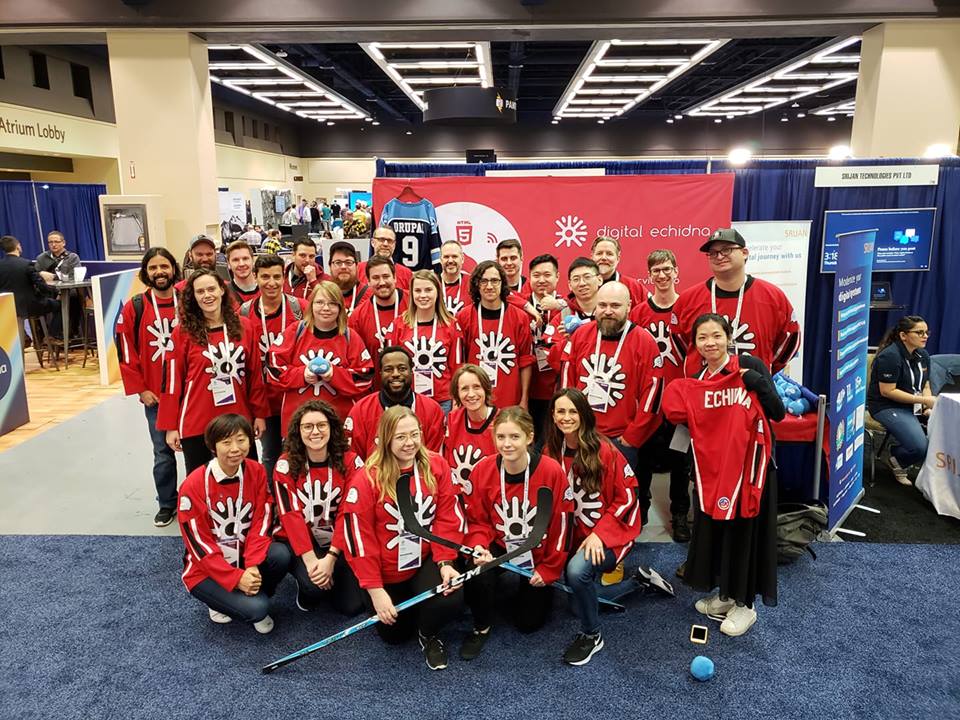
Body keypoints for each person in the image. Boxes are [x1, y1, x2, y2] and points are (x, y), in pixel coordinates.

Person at [662, 313, 785, 637]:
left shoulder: (749, 366)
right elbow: (683, 420)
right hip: (716, 473)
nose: (710, 343)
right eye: (703, 338)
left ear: (728, 337)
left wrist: (757, 384)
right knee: (719, 533)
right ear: (696, 345)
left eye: (716, 335)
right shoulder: (699, 379)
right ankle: (726, 593)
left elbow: (778, 412)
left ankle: (746, 605)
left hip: (751, 472)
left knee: (745, 534)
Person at [334, 406, 464, 670]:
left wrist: (445, 563)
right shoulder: (367, 478)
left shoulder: (436, 464)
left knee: (452, 599)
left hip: (422, 559)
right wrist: (375, 590)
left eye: (414, 434)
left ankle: (428, 633)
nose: (409, 443)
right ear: (385, 440)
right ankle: (405, 608)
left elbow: (447, 516)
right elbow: (359, 538)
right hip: (385, 571)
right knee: (394, 635)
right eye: (400, 437)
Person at [459, 407, 572, 659]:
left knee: (528, 624)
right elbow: (476, 519)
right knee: (477, 572)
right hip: (500, 543)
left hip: (538, 550)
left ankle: (532, 590)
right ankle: (481, 626)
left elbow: (562, 524)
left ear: (529, 437)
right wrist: (480, 546)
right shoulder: (482, 470)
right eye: (501, 437)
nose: (507, 444)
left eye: (514, 437)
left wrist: (550, 568)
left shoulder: (552, 471)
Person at [543, 388, 641, 665]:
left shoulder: (605, 450)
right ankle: (639, 584)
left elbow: (628, 497)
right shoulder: (551, 451)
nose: (566, 417)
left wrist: (600, 534)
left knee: (576, 574)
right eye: (560, 411)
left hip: (610, 533)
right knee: (577, 602)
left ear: (584, 414)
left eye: (572, 411)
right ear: (553, 415)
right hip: (574, 536)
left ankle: (591, 635)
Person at [177, 414, 291, 634]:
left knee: (280, 555)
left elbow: (263, 519)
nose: (235, 448)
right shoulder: (193, 485)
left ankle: (251, 591)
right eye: (226, 442)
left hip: (244, 557)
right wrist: (236, 578)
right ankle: (225, 600)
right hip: (206, 569)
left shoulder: (256, 471)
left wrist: (252, 564)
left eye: (241, 440)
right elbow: (199, 545)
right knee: (258, 609)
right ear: (212, 445)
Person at [158, 269, 270, 475]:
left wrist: (260, 414)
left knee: (245, 479)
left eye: (211, 289)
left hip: (238, 419)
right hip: (196, 422)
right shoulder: (182, 333)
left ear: (222, 291)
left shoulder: (245, 327)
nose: (207, 295)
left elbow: (255, 375)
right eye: (200, 292)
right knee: (202, 484)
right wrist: (170, 425)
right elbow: (172, 381)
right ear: (193, 297)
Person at [559, 282, 663, 478]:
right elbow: (566, 381)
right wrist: (570, 427)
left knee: (624, 497)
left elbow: (653, 395)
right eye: (602, 305)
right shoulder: (581, 335)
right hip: (582, 434)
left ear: (629, 306)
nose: (607, 311)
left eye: (615, 306)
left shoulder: (644, 341)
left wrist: (632, 438)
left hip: (622, 441)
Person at [272, 400, 365, 614]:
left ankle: (328, 577)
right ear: (298, 431)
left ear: (332, 428)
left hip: (337, 540)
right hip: (302, 542)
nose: (315, 432)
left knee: (352, 607)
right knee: (314, 587)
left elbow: (348, 513)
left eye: (322, 425)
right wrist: (313, 561)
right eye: (308, 426)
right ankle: (306, 585)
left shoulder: (351, 461)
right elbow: (290, 515)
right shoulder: (285, 464)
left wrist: (331, 558)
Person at [673, 228, 800, 376]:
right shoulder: (688, 300)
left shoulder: (772, 297)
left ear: (744, 253)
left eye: (726, 250)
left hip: (753, 391)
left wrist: (763, 369)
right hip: (703, 392)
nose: (719, 256)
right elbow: (681, 346)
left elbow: (789, 342)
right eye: (713, 253)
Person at [117, 247, 183, 526]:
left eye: (164, 266)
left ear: (173, 269)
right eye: (153, 268)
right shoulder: (136, 306)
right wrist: (141, 389)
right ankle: (167, 503)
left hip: (190, 393)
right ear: (146, 272)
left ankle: (202, 500)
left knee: (198, 450)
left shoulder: (188, 300)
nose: (160, 272)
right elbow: (126, 350)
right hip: (156, 396)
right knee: (163, 453)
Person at [630, 249, 691, 539]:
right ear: (649, 275)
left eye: (667, 269)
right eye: (656, 270)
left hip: (680, 405)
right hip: (648, 404)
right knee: (642, 461)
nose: (663, 275)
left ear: (676, 271)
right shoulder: (639, 313)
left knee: (681, 461)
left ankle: (680, 514)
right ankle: (640, 511)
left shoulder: (689, 309)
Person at [239, 254, 308, 482]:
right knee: (269, 454)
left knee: (299, 450)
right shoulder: (245, 313)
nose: (272, 282)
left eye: (277, 276)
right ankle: (272, 500)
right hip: (264, 399)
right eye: (265, 277)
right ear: (255, 277)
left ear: (284, 278)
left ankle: (297, 497)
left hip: (295, 394)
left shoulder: (300, 309)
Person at [268, 280, 373, 426]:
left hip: (337, 423)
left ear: (340, 308)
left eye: (332, 303)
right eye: (320, 302)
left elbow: (365, 376)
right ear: (311, 305)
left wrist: (334, 375)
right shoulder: (295, 331)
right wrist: (301, 375)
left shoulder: (350, 337)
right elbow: (273, 368)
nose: (326, 308)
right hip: (297, 422)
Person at [456, 260, 534, 409]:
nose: (490, 286)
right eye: (484, 281)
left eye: (495, 281)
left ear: (502, 283)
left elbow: (525, 361)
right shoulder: (464, 316)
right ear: (477, 284)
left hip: (510, 398)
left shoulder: (519, 317)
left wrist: (524, 398)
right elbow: (460, 361)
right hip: (475, 399)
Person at [867, 315, 935, 484]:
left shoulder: (923, 355)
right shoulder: (890, 356)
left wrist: (926, 404)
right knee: (919, 448)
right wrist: (923, 401)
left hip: (913, 404)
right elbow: (888, 392)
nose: (925, 336)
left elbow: (925, 384)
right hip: (887, 406)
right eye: (919, 332)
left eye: (926, 332)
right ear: (903, 336)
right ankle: (896, 458)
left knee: (945, 432)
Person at [347, 345, 445, 459]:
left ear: (411, 371)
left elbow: (434, 460)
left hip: (419, 475)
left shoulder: (432, 410)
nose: (395, 374)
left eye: (402, 368)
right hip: (374, 475)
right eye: (388, 369)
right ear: (380, 373)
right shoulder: (361, 411)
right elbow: (355, 460)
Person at [389, 270, 462, 414]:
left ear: (438, 292)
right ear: (411, 294)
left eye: (428, 290)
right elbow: (390, 366)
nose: (423, 295)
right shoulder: (399, 324)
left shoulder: (451, 325)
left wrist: (457, 399)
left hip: (443, 401)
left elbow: (457, 367)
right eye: (417, 290)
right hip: (406, 399)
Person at [525, 254, 565, 442]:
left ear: (557, 277)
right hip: (526, 386)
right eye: (536, 275)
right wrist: (529, 308)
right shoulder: (520, 304)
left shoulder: (567, 306)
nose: (541, 280)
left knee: (552, 442)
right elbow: (506, 296)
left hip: (556, 387)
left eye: (547, 275)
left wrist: (561, 306)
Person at [444, 364, 498, 500]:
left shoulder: (501, 422)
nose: (471, 394)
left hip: (490, 498)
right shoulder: (452, 419)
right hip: (458, 497)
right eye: (464, 389)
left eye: (476, 387)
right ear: (457, 394)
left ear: (486, 389)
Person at [349, 256, 410, 362]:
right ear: (368, 281)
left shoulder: (413, 303)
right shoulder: (357, 317)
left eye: (386, 276)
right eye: (376, 278)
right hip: (376, 377)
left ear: (394, 277)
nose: (382, 282)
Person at [0, 235, 61, 331]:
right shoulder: (26, 264)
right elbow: (41, 285)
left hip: (5, 307)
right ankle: (53, 336)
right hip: (28, 306)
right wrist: (56, 291)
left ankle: (38, 339)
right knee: (59, 305)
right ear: (18, 246)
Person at [591, 236, 644, 307]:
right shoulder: (583, 285)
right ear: (592, 257)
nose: (603, 257)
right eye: (599, 253)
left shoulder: (634, 287)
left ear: (618, 258)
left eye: (609, 254)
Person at [327, 240, 369, 317]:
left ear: (357, 266)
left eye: (348, 262)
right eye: (338, 262)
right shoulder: (322, 295)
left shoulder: (370, 295)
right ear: (330, 266)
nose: (343, 267)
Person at [439, 240, 470, 315]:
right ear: (440, 260)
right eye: (446, 257)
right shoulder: (432, 283)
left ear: (462, 259)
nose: (450, 260)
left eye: (454, 256)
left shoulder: (472, 282)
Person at [226, 240, 260, 304]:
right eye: (235, 260)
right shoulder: (225, 294)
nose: (241, 264)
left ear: (253, 260)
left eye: (245, 258)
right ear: (228, 264)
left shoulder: (267, 289)